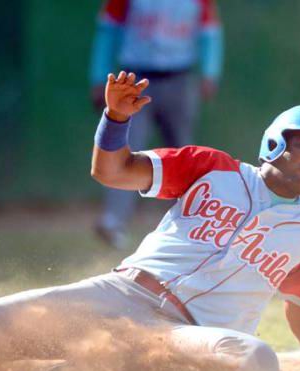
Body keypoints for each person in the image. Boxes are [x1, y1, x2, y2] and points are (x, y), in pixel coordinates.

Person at [0, 71, 300, 371]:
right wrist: (115, 119)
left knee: (256, 360)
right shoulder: (212, 168)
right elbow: (111, 171)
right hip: (118, 297)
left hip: (188, 337)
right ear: (276, 143)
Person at [89, 0, 224, 249]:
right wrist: (99, 76)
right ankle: (113, 222)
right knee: (125, 148)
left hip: (179, 79)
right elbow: (108, 32)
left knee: (185, 156)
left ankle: (192, 226)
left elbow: (210, 33)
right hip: (135, 78)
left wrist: (210, 72)